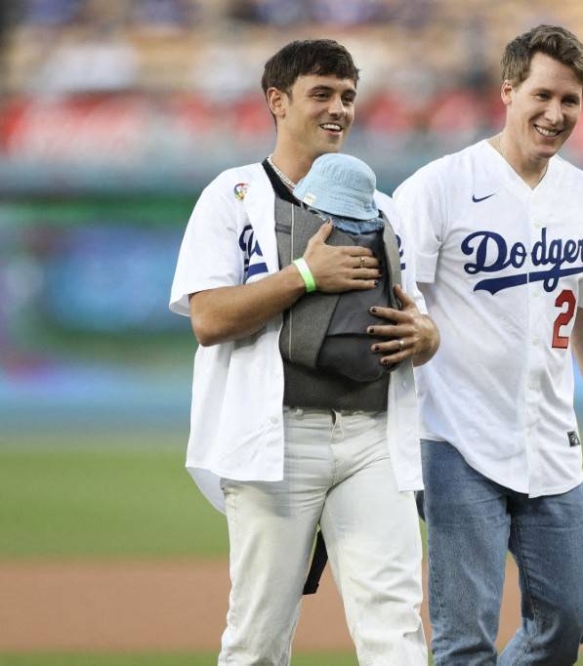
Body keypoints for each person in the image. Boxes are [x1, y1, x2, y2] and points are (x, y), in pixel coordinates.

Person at [393, 24, 583, 665]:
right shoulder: (439, 186)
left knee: (567, 619)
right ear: (507, 91)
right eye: (542, 95)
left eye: (570, 101)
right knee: (464, 638)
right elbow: (396, 303)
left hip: (550, 440)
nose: (555, 113)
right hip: (453, 438)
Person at [168, 39, 437, 666]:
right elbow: (207, 319)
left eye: (347, 95)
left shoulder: (383, 208)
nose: (338, 108)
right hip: (277, 439)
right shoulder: (231, 195)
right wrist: (305, 276)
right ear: (277, 101)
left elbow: (416, 320)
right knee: (258, 637)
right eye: (321, 94)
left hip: (373, 436)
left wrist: (428, 337)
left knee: (395, 628)